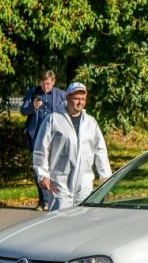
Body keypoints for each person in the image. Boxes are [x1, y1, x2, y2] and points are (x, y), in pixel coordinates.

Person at [32, 82, 112, 211]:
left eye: (83, 99)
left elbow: (100, 150)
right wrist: (42, 175)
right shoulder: (53, 120)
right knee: (60, 226)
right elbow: (41, 149)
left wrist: (105, 175)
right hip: (60, 187)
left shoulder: (91, 122)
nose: (80, 102)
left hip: (84, 187)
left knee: (83, 227)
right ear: (68, 97)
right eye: (76, 99)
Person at [20, 70, 67, 210]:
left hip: (55, 136)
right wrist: (32, 107)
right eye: (43, 83)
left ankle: (55, 197)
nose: (45, 86)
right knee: (39, 167)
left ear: (53, 82)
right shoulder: (33, 93)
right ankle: (43, 200)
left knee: (55, 166)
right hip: (37, 135)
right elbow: (23, 111)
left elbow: (67, 113)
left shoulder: (60, 95)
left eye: (48, 83)